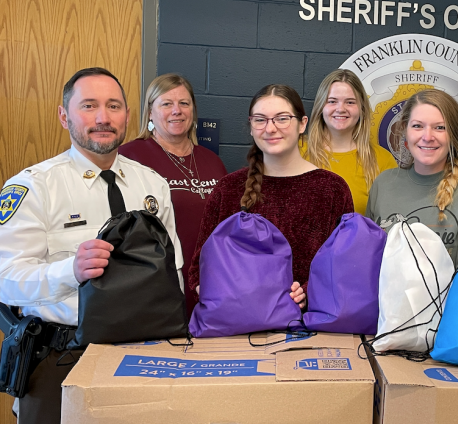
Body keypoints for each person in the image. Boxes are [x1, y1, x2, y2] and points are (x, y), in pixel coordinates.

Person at [0, 67, 182, 424]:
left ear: (128, 116)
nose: (103, 118)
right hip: (62, 358)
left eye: (114, 106)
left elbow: (171, 270)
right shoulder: (35, 187)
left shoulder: (153, 185)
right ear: (64, 116)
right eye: (89, 106)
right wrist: (71, 270)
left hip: (144, 354)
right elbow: (5, 278)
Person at [189, 84, 354, 306]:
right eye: (260, 119)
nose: (270, 128)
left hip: (309, 328)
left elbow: (344, 266)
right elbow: (197, 270)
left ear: (302, 124)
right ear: (250, 126)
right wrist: (224, 295)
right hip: (239, 328)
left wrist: (309, 291)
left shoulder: (332, 189)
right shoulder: (228, 189)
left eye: (282, 118)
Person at [119, 73, 227, 317]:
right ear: (149, 112)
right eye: (166, 104)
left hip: (210, 281)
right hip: (156, 282)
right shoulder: (129, 158)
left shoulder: (212, 161)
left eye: (184, 103)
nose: (176, 111)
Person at [365, 89, 458, 266]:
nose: (427, 137)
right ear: (405, 131)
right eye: (417, 126)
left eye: (439, 127)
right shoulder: (383, 184)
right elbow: (367, 262)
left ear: (454, 135)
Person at [304, 69, 396, 214]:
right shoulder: (297, 152)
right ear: (321, 107)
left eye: (350, 102)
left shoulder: (383, 160)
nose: (341, 109)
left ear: (362, 109)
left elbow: (389, 220)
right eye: (332, 101)